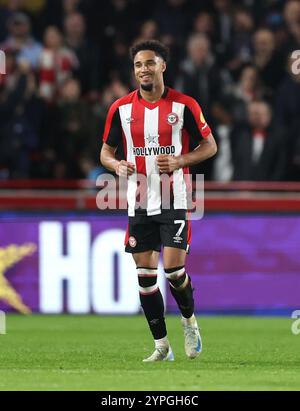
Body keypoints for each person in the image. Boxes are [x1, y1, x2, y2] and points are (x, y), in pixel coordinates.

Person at [100, 40, 217, 362]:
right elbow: (106, 153)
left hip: (174, 197)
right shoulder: (121, 109)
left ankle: (190, 322)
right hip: (139, 200)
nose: (143, 69)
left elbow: (210, 146)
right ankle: (162, 346)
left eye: (149, 63)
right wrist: (117, 165)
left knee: (175, 272)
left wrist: (181, 161)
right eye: (138, 65)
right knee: (145, 276)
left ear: (162, 66)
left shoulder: (184, 106)